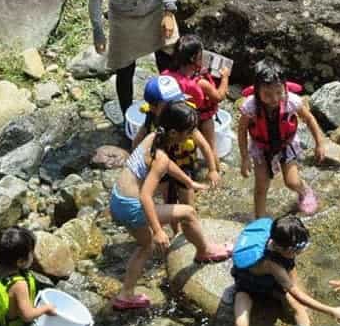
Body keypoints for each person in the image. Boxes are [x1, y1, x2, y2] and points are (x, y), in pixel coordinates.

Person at [110, 100, 232, 311]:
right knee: (189, 213)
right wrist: (158, 230)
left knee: (144, 246)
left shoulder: (153, 137)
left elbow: (168, 165)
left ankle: (125, 294)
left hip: (117, 199)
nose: (192, 135)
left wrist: (188, 181)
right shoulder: (160, 156)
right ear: (175, 133)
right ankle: (204, 251)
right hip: (132, 204)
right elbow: (146, 196)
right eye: (189, 131)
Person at [231, 216, 340, 326]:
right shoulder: (272, 265)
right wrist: (331, 311)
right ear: (284, 249)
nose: (301, 251)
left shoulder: (278, 243)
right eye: (299, 249)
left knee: (298, 308)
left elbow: (292, 272)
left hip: (271, 286)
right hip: (247, 288)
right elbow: (296, 293)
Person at [238, 59, 326, 218]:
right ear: (257, 91)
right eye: (268, 94)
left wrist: (319, 143)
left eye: (279, 92)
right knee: (261, 186)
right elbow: (242, 130)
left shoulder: (292, 101)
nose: (274, 98)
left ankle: (304, 191)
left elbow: (310, 119)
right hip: (261, 147)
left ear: (284, 87)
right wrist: (244, 157)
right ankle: (260, 221)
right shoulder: (250, 106)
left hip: (286, 144)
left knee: (291, 181)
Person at [131, 75, 221, 207]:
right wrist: (135, 162)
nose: (177, 105)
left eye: (178, 99)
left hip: (184, 165)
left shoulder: (182, 117)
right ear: (153, 107)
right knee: (168, 200)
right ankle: (175, 225)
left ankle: (189, 217)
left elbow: (204, 145)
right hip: (162, 167)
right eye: (170, 102)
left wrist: (212, 169)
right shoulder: (151, 117)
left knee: (187, 200)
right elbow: (139, 138)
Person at [164, 34, 230, 160]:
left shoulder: (171, 74)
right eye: (201, 56)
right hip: (203, 117)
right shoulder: (201, 82)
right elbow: (219, 97)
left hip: (181, 117)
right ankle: (215, 171)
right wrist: (225, 77)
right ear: (194, 58)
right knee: (210, 148)